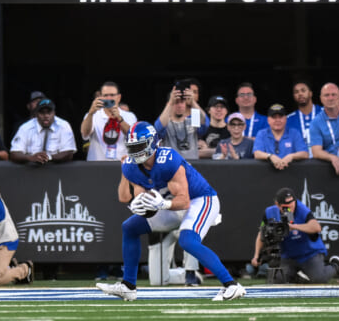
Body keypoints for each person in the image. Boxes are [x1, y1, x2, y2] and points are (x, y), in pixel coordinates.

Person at [96, 121, 246, 301]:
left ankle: (232, 285)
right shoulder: (130, 165)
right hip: (167, 203)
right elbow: (130, 197)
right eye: (132, 147)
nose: (136, 151)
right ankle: (128, 286)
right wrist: (139, 203)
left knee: (187, 240)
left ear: (152, 143)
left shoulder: (168, 160)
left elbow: (184, 201)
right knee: (129, 227)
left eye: (140, 146)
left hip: (200, 199)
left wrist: (162, 205)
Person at [251, 187, 339, 283]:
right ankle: (298, 276)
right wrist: (256, 256)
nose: (289, 207)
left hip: (309, 253)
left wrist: (294, 226)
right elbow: (261, 233)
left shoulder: (302, 209)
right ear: (277, 204)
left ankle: (335, 266)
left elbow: (316, 227)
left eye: (292, 203)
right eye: (285, 205)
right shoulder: (269, 212)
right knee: (278, 279)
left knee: (318, 278)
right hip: (288, 256)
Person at [81, 81, 137, 161]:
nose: (109, 98)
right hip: (97, 166)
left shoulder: (129, 116)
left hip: (122, 165)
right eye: (105, 95)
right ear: (100, 97)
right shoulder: (92, 115)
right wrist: (91, 113)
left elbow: (133, 137)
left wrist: (119, 118)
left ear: (119, 97)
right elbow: (85, 133)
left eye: (112, 95)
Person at [10, 98, 76, 164]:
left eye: (49, 112)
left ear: (54, 113)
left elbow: (69, 154)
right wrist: (31, 158)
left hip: (57, 171)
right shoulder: (25, 127)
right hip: (31, 170)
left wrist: (48, 157)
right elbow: (14, 154)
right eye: (42, 113)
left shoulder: (63, 125)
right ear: (36, 114)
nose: (46, 116)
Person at [155, 84, 208, 160]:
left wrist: (193, 102)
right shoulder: (166, 122)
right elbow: (158, 129)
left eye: (182, 102)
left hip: (192, 166)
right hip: (172, 167)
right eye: (176, 102)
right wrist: (170, 102)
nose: (179, 105)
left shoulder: (193, 120)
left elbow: (205, 122)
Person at [254, 104, 309, 170]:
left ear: (285, 119)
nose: (278, 120)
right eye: (274, 117)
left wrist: (291, 156)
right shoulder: (262, 133)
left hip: (292, 174)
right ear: (268, 120)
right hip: (267, 175)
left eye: (280, 117)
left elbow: (305, 154)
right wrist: (270, 156)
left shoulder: (294, 133)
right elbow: (257, 153)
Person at [286, 80, 323, 157]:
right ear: (294, 96)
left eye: (303, 90)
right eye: (296, 92)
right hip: (299, 163)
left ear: (310, 93)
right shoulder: (288, 119)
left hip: (323, 160)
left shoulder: (324, 113)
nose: (300, 94)